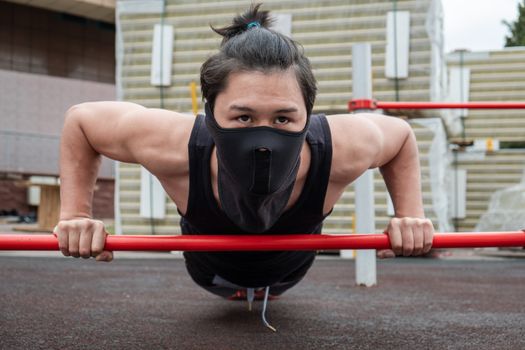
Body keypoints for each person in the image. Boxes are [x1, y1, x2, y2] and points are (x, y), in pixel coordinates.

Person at [56, 4, 433, 305]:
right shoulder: (173, 143)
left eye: (283, 118)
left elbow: (400, 136)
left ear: (308, 114)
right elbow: (82, 122)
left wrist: (410, 215)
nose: (263, 138)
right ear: (210, 113)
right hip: (211, 275)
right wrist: (76, 215)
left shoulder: (339, 148)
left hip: (288, 276)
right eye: (243, 116)